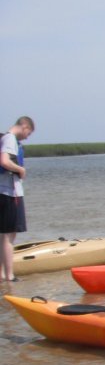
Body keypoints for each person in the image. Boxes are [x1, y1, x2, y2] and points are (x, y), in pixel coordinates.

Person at [0, 116, 35, 282]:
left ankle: (2, 274)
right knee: (9, 236)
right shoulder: (10, 139)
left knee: (4, 235)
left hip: (5, 192)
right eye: (29, 132)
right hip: (9, 193)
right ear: (24, 126)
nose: (27, 136)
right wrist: (20, 169)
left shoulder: (6, 138)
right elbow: (5, 161)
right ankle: (9, 275)